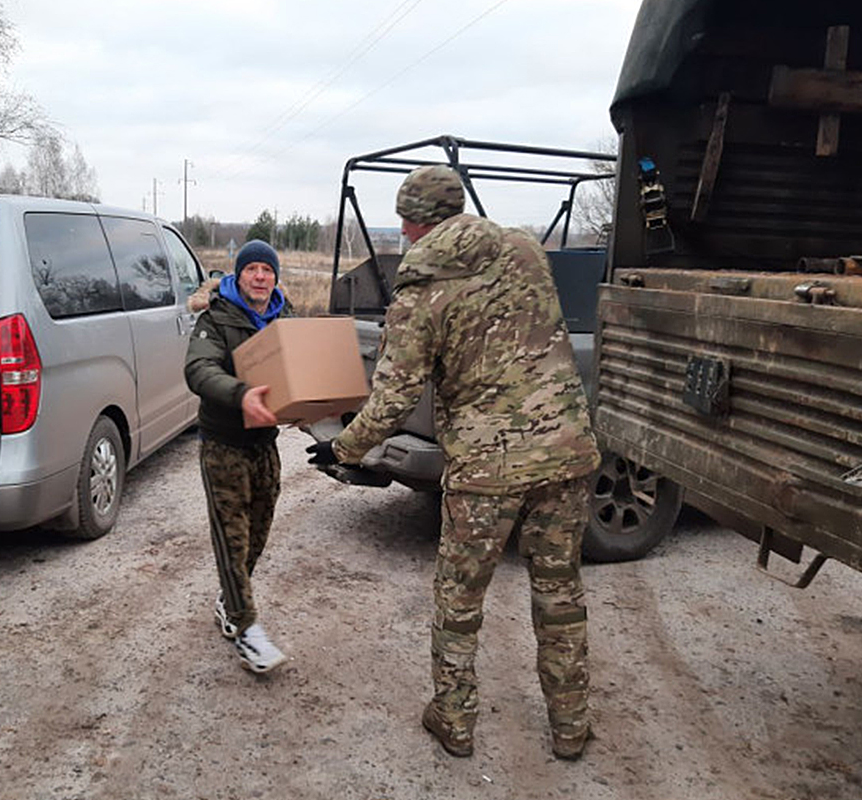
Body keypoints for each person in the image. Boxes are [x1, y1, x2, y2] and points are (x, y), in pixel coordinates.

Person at [306, 166, 601, 759]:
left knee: (460, 599)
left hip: (487, 468)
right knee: (560, 594)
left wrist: (344, 449)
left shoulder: (420, 289)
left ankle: (455, 720)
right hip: (566, 451)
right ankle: (570, 726)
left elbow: (392, 398)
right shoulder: (524, 250)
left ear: (413, 223)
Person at [184, 239, 290, 674]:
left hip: (265, 445)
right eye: (252, 270)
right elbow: (199, 370)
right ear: (239, 275)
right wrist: (240, 394)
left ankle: (230, 598)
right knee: (233, 538)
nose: (261, 277)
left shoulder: (284, 318)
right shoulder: (216, 318)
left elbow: (295, 373)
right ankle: (247, 629)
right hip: (224, 444)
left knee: (259, 533)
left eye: (267, 270)